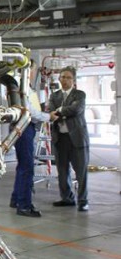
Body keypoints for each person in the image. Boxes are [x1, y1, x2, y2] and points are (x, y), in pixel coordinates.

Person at [48, 66, 89, 212]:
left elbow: (76, 109)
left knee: (81, 172)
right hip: (60, 138)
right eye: (62, 77)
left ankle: (83, 201)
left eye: (68, 77)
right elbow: (49, 111)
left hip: (77, 139)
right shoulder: (54, 96)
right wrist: (62, 111)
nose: (64, 80)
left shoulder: (80, 95)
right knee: (62, 171)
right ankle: (67, 198)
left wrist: (59, 111)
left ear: (74, 80)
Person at [10, 80, 50, 218]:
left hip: (25, 127)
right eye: (32, 69)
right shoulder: (23, 89)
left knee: (22, 166)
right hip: (24, 126)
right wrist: (49, 116)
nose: (33, 73)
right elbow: (30, 112)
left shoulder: (26, 89)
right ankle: (24, 205)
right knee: (27, 168)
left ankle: (16, 199)